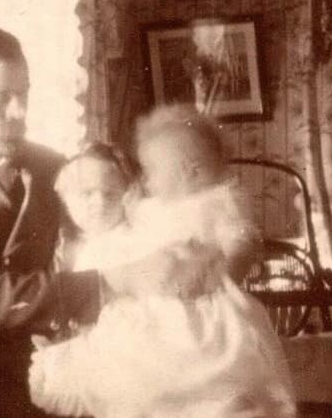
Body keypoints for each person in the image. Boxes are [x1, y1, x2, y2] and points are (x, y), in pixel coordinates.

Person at [0, 26, 216, 418]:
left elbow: (111, 240)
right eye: (1, 98)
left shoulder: (54, 168)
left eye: (24, 95)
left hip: (60, 374)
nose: (19, 112)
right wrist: (113, 282)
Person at [29, 103, 295, 418]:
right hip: (159, 306)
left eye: (153, 169)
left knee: (208, 372)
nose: (145, 180)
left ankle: (223, 404)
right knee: (133, 365)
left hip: (205, 310)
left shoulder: (218, 202)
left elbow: (242, 241)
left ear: (189, 171)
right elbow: (131, 240)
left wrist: (221, 270)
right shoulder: (153, 208)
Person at [51, 142, 133, 273]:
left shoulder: (125, 244)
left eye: (110, 194)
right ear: (66, 200)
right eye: (87, 193)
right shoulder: (79, 245)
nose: (100, 202)